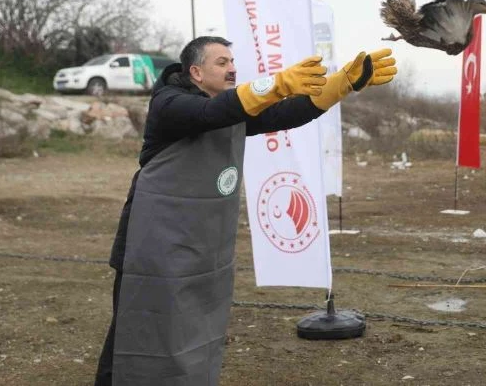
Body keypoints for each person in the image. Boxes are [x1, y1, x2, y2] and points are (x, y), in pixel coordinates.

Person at [93, 36, 397, 386]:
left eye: (232, 61)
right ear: (195, 71)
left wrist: (340, 84)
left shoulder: (232, 108)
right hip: (150, 244)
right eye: (221, 62)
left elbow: (286, 113)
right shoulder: (170, 103)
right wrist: (278, 83)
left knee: (189, 329)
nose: (232, 67)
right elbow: (209, 113)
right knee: (133, 330)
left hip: (197, 245)